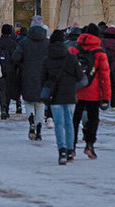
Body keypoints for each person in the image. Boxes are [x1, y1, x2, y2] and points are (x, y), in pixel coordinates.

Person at [70, 23, 111, 159]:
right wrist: (106, 98)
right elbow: (104, 77)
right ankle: (89, 145)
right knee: (93, 119)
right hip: (93, 93)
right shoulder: (100, 53)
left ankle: (71, 147)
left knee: (74, 119)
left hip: (76, 91)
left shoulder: (74, 50)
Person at [42, 30, 83, 164]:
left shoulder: (47, 59)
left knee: (58, 124)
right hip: (70, 94)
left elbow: (42, 79)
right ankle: (71, 150)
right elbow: (80, 77)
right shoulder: (71, 58)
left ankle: (62, 151)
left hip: (55, 96)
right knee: (69, 123)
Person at [12, 19, 49, 140]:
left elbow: (15, 57)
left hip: (27, 75)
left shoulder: (24, 43)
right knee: (40, 104)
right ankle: (38, 130)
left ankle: (31, 121)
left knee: (28, 102)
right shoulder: (48, 43)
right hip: (43, 78)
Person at [0, 24, 19, 119]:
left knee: (2, 90)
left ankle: (2, 108)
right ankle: (6, 108)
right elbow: (17, 57)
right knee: (8, 90)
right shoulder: (13, 44)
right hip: (10, 70)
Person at [102, 26, 115, 108]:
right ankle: (113, 103)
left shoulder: (102, 42)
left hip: (103, 67)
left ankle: (104, 102)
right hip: (113, 67)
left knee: (103, 85)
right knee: (112, 86)